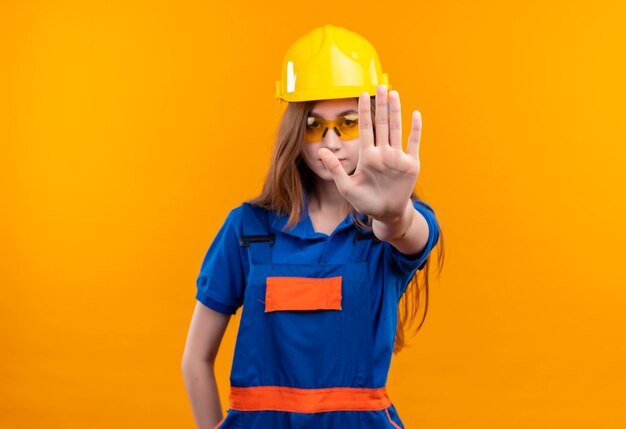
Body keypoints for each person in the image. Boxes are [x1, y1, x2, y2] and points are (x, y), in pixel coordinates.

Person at [182, 24, 445, 429]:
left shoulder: (385, 231)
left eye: (348, 122)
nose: (331, 141)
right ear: (293, 130)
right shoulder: (247, 228)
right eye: (313, 125)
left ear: (373, 123)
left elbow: (411, 236)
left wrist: (393, 214)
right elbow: (196, 358)